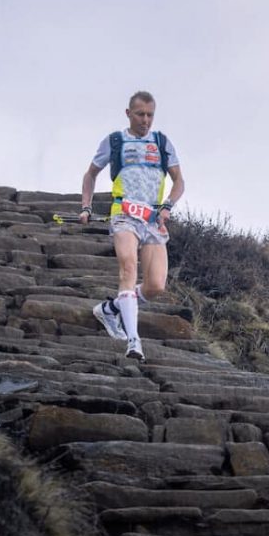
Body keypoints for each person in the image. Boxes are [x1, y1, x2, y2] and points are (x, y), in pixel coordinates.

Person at [80, 90, 185, 361]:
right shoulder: (115, 141)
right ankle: (133, 341)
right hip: (124, 212)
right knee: (128, 268)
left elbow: (179, 182)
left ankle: (110, 309)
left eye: (150, 115)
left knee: (155, 286)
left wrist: (168, 205)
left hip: (152, 218)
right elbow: (91, 174)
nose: (145, 120)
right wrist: (86, 207)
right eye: (140, 114)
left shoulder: (162, 142)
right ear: (129, 113)